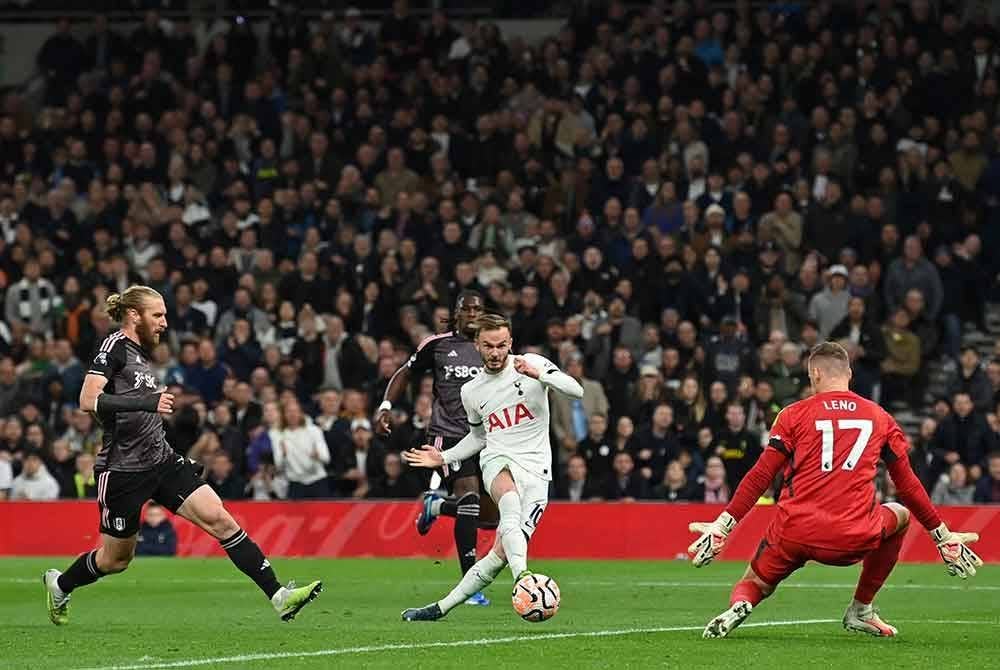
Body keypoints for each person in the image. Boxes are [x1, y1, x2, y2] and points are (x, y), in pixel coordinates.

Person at [43, 286, 322, 626]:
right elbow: (88, 400)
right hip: (123, 470)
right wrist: (149, 401)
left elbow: (143, 420)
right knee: (116, 560)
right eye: (157, 315)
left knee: (220, 519)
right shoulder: (113, 347)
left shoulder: (142, 354)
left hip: (161, 461)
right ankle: (60, 585)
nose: (164, 323)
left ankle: (279, 596)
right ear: (135, 316)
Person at [687, 341, 983, 639]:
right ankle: (861, 609)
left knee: (755, 582)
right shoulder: (880, 417)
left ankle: (741, 604)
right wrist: (941, 535)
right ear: (849, 373)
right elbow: (906, 483)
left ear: (815, 373)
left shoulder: (793, 415)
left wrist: (723, 526)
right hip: (854, 536)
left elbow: (761, 475)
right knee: (900, 513)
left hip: (795, 531)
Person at [399, 313, 584, 621]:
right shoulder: (471, 391)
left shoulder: (530, 364)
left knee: (499, 555)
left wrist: (541, 375)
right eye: (488, 346)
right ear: (477, 345)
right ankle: (524, 579)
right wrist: (443, 457)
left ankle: (440, 608)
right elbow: (478, 438)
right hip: (498, 460)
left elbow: (575, 390)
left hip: (538, 470)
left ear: (509, 342)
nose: (496, 353)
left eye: (501, 345)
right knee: (508, 505)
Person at [374, 290, 497, 606]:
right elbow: (404, 372)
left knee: (492, 517)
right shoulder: (438, 345)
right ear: (456, 313)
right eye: (467, 309)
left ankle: (437, 507)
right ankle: (470, 586)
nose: (473, 314)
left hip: (489, 437)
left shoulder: (493, 347)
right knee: (468, 497)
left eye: (478, 309)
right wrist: (386, 405)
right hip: (449, 436)